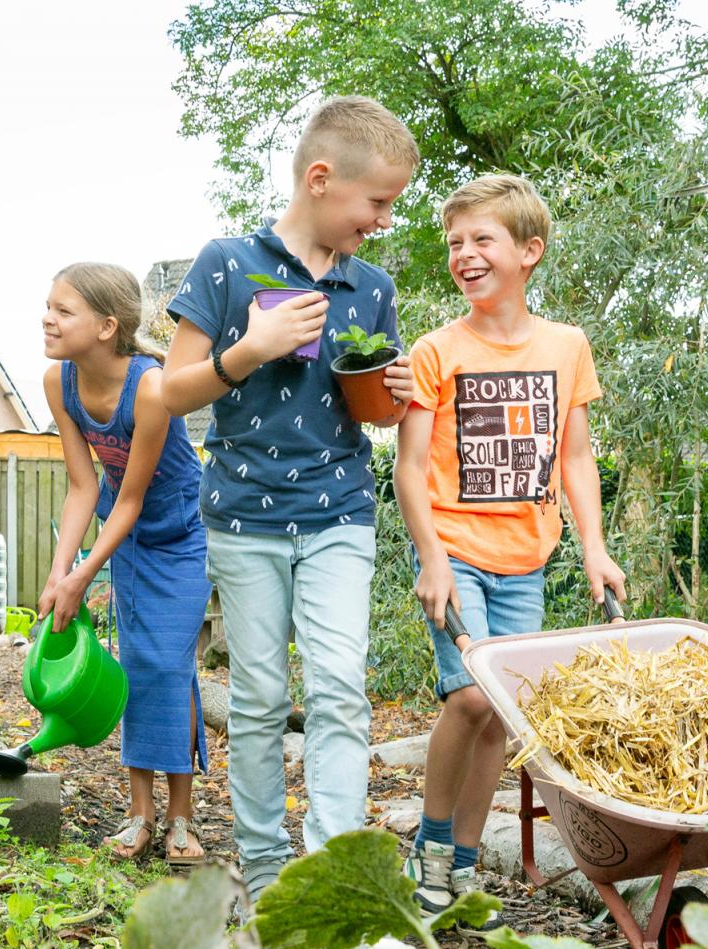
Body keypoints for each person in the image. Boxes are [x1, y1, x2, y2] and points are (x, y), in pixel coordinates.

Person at [160, 96, 419, 900]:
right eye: (377, 202)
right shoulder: (227, 263)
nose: (384, 220)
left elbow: (370, 409)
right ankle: (269, 871)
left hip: (339, 511)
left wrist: (393, 396)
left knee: (339, 685)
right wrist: (251, 348)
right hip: (245, 517)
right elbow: (170, 391)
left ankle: (333, 870)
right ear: (320, 178)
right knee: (261, 696)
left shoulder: (370, 286)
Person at [392, 174, 627, 922]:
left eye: (481, 239)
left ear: (529, 251)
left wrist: (594, 547)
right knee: (468, 696)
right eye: (454, 242)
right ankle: (429, 850)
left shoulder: (566, 346)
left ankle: (463, 865)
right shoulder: (435, 351)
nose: (464, 253)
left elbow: (576, 457)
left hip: (527, 557)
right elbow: (408, 467)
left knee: (502, 717)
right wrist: (431, 557)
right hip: (453, 548)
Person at [37, 262, 211, 865]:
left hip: (183, 534)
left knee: (169, 664)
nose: (47, 318)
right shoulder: (58, 383)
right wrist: (60, 572)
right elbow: (83, 486)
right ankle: (141, 815)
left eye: (63, 310)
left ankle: (181, 819)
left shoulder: (151, 388)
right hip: (127, 537)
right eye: (49, 306)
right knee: (138, 665)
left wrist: (84, 574)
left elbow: (133, 497)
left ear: (107, 326)